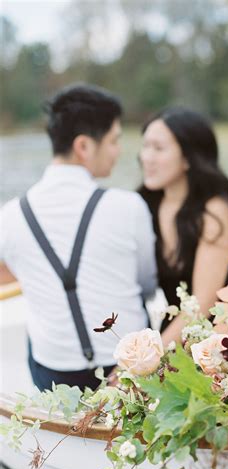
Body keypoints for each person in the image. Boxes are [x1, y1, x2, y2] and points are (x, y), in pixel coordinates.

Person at [0, 84, 157, 391]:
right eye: (114, 140)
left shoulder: (9, 215)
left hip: (55, 378)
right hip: (129, 372)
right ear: (83, 146)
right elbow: (148, 286)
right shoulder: (128, 206)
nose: (119, 151)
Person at [138, 107, 228, 346]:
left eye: (158, 148)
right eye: (145, 146)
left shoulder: (213, 213)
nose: (146, 157)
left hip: (226, 342)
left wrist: (146, 362)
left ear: (188, 158)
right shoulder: (143, 205)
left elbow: (202, 305)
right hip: (177, 335)